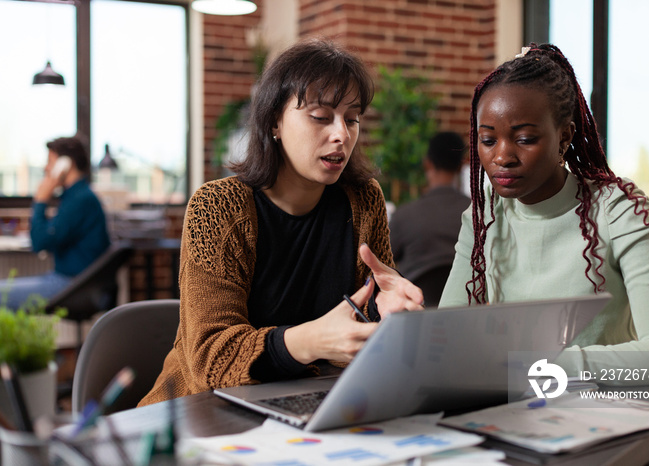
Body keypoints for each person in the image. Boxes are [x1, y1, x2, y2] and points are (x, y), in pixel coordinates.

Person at [139, 38, 423, 406]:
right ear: (274, 121)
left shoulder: (363, 199)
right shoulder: (218, 207)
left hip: (310, 404)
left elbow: (357, 313)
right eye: (321, 117)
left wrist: (383, 310)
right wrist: (311, 341)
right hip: (198, 415)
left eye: (352, 119)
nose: (342, 134)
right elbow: (210, 360)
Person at [439, 43, 649, 387]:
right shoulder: (485, 213)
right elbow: (447, 339)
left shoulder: (619, 208)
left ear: (564, 137)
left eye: (525, 138)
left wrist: (539, 363)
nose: (502, 156)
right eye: (487, 140)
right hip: (512, 409)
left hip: (605, 414)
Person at [0, 136, 111, 309]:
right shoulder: (77, 196)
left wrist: (41, 200)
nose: (46, 168)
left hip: (74, 285)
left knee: (2, 294)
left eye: (50, 161)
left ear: (66, 164)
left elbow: (39, 243)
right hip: (74, 281)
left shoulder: (80, 200)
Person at [389, 131, 471, 306]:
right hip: (465, 316)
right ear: (460, 166)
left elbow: (383, 264)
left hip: (415, 317)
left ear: (428, 164)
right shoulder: (478, 215)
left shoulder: (405, 215)